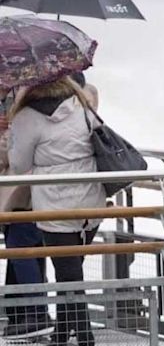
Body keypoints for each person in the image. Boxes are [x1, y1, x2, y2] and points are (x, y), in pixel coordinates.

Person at [8, 76, 106, 346]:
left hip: (55, 206)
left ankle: (86, 338)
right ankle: (61, 334)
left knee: (68, 275)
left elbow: (18, 165)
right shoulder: (80, 105)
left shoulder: (27, 117)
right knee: (70, 272)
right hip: (91, 202)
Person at [0, 87, 53, 340]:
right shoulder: (42, 108)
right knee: (27, 249)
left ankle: (35, 314)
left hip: (23, 195)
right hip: (35, 195)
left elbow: (13, 157)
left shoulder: (24, 113)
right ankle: (22, 315)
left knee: (20, 249)